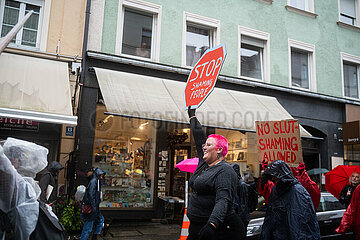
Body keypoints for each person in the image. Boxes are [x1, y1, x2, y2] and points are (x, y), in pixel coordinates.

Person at [186, 107, 243, 240]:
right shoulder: (204, 163)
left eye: (209, 145)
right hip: (196, 228)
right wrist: (192, 116)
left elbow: (223, 200)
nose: (204, 147)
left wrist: (212, 224)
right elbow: (199, 136)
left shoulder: (225, 171)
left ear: (219, 150)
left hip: (214, 230)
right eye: (204, 145)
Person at [260, 160, 320, 240]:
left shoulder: (297, 191)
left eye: (275, 176)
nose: (274, 179)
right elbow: (270, 217)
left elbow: (299, 224)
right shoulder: (276, 189)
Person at [80, 168, 106, 240]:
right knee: (88, 227)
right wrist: (94, 207)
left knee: (100, 220)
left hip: (94, 207)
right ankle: (87, 238)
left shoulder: (96, 181)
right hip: (91, 208)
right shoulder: (94, 181)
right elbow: (91, 194)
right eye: (101, 175)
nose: (102, 177)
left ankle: (94, 237)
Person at [230, 163, 250, 239]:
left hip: (242, 218)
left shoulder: (242, 185)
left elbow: (243, 203)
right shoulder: (234, 183)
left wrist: (239, 218)